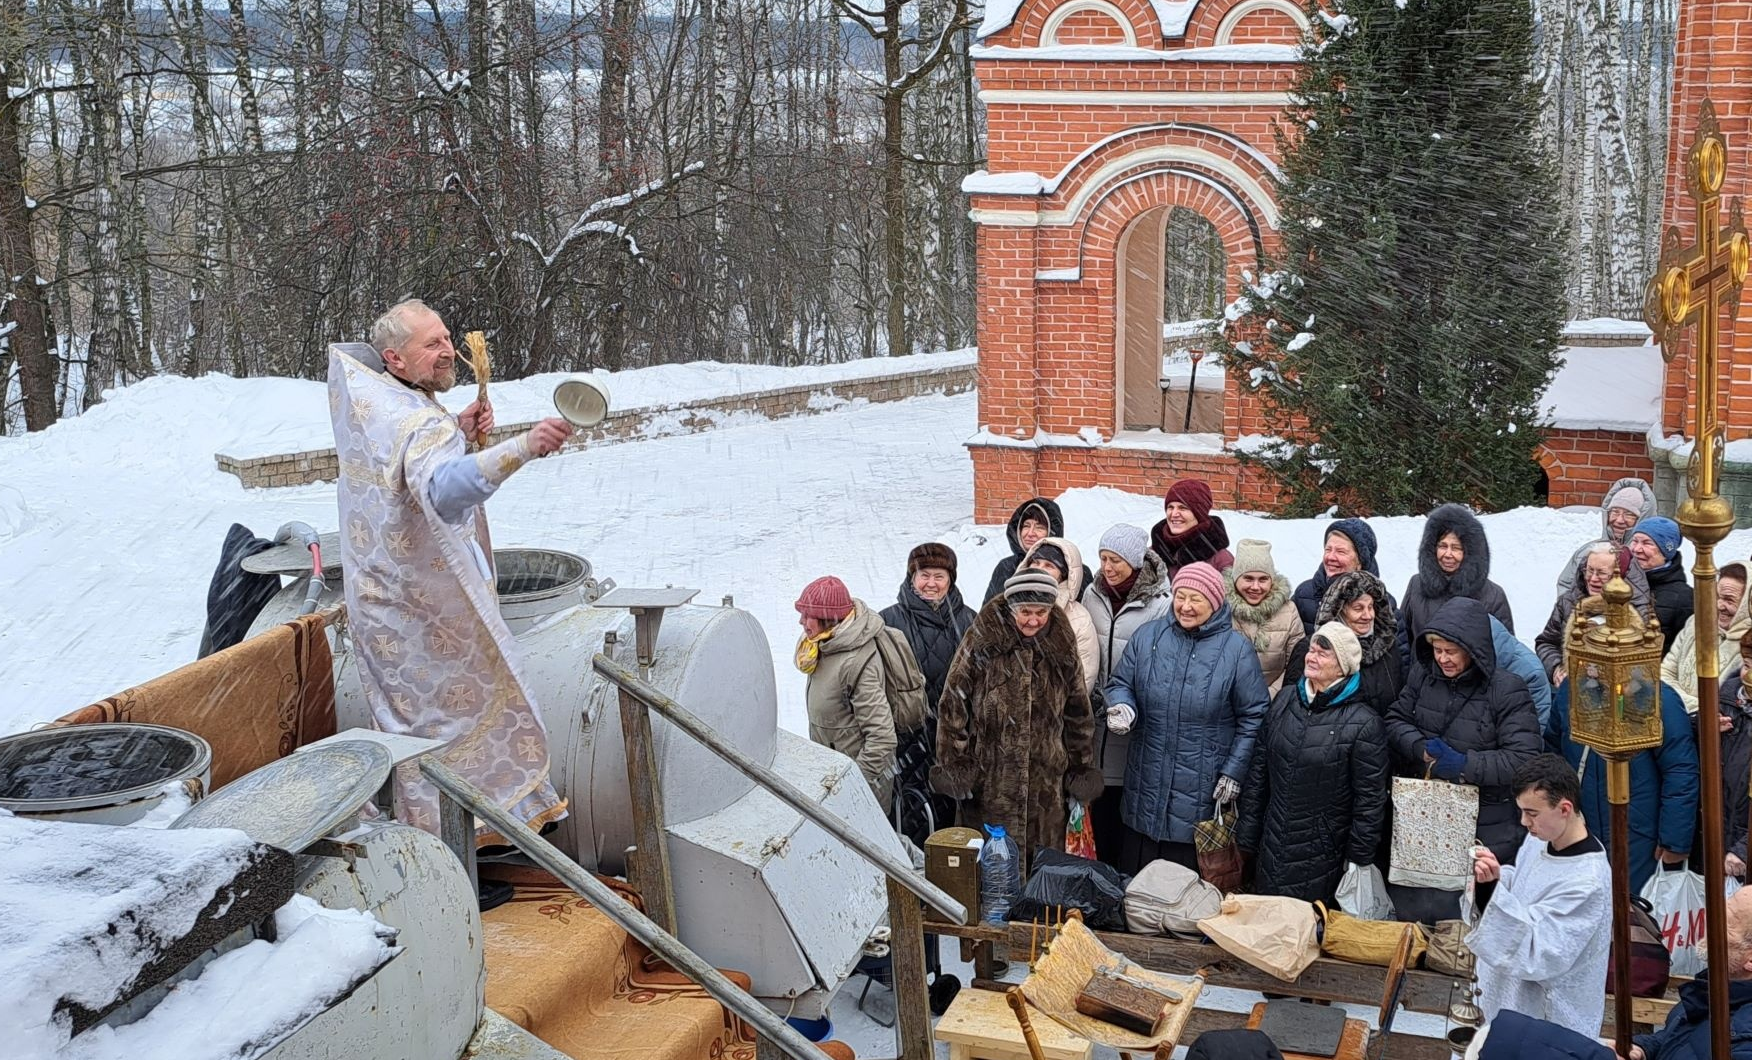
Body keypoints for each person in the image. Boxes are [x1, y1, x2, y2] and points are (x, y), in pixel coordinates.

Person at [329, 299, 571, 847]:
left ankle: (457, 846)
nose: (447, 351)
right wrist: (523, 447)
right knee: (448, 733)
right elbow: (441, 490)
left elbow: (402, 469)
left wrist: (457, 428)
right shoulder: (417, 420)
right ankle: (455, 858)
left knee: (412, 730)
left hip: (383, 605)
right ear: (394, 357)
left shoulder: (374, 399)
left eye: (445, 338)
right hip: (426, 617)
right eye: (431, 345)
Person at [1103, 561, 1270, 874]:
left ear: (1215, 602)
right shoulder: (1148, 637)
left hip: (1201, 791)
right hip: (1146, 783)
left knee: (1185, 895)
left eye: (1197, 599)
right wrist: (1123, 705)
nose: (1186, 606)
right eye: (1181, 596)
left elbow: (1255, 716)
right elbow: (1121, 683)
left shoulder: (1236, 650)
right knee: (1137, 886)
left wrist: (1234, 772)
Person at [933, 570, 1103, 873]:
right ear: (1011, 608)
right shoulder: (983, 639)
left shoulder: (1061, 644)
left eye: (1041, 612)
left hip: (1046, 780)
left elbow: (1078, 712)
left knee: (1042, 872)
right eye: (1025, 612)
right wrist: (956, 763)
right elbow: (953, 703)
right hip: (991, 779)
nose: (1033, 620)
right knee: (991, 872)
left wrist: (1080, 767)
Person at [1384, 597, 1542, 920]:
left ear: (1473, 648)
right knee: (1419, 910)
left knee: (1471, 919)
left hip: (1487, 825)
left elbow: (1524, 759)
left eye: (1451, 651)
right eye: (1437, 650)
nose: (1442, 659)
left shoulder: (1507, 690)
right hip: (1426, 822)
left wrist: (1464, 765)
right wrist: (1420, 748)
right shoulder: (1423, 675)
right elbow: (1395, 719)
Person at [1238, 622, 1389, 903]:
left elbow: (1369, 802)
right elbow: (1259, 769)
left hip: (1325, 853)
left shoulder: (1365, 724)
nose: (1312, 656)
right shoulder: (1285, 700)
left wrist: (1358, 858)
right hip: (1272, 842)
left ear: (1343, 667)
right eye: (1312, 650)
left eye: (1323, 653)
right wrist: (1249, 831)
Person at [1465, 754, 1612, 1041]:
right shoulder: (1538, 840)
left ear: (1564, 809)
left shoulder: (1587, 881)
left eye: (1532, 813)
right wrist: (1489, 880)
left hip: (1544, 1020)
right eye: (1521, 811)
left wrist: (1492, 893)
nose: (1524, 822)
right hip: (1504, 1000)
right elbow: (1520, 887)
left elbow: (1541, 953)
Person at [1547, 677, 1698, 894]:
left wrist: (1675, 841)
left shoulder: (1657, 697)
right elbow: (1553, 754)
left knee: (1635, 914)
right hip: (1580, 827)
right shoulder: (1571, 690)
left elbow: (1680, 770)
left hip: (1638, 834)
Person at [1080, 523, 1173, 864]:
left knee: (1124, 807)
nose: (1108, 567)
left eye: (1116, 559)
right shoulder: (1092, 594)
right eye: (1103, 558)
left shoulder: (1161, 603)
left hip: (1131, 721)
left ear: (1135, 561)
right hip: (1094, 722)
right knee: (1095, 807)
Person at [881, 542, 976, 838]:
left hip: (955, 738)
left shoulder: (970, 621)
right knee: (909, 816)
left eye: (939, 576)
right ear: (912, 577)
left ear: (951, 579)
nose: (931, 584)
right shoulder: (889, 622)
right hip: (907, 740)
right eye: (924, 575)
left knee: (953, 822)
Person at [796, 576, 897, 806]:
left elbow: (882, 738)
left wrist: (854, 784)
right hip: (834, 781)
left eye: (807, 615)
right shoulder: (823, 646)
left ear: (828, 619)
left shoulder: (855, 661)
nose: (801, 621)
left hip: (858, 794)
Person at [1623, 886, 1752, 1059]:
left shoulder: (1743, 1039)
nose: (1711, 922)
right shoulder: (1714, 991)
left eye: (1728, 922)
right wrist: (1643, 1048)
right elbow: (1680, 1039)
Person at [1398, 503, 1515, 668]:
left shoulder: (1493, 596)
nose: (1448, 554)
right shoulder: (1416, 585)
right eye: (1442, 546)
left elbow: (1504, 653)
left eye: (1456, 548)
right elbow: (1403, 640)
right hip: (1421, 686)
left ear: (1470, 552)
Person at [1283, 570, 1405, 716]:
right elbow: (1293, 706)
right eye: (1358, 608)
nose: (1368, 615)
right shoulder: (1312, 649)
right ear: (1339, 610)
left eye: (1371, 607)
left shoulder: (1387, 646)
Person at [1537, 543, 1653, 685]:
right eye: (1589, 570)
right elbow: (1546, 642)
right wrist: (1556, 669)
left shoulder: (1639, 610)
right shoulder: (1568, 601)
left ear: (1619, 576)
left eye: (1602, 573)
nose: (1592, 579)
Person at [1663, 561, 1748, 714]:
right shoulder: (1696, 622)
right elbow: (1665, 673)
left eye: (1729, 600)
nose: (1718, 605)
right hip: (1673, 715)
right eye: (1717, 596)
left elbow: (1724, 706)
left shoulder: (1749, 644)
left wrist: (1673, 700)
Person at [1225, 539, 1305, 695]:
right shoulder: (1221, 609)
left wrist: (1270, 696)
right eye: (1248, 578)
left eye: (1263, 579)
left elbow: (1296, 662)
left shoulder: (1288, 611)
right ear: (1235, 579)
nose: (1255, 587)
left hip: (1274, 701)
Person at [1022, 536, 1100, 693]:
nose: (1039, 568)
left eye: (1049, 565)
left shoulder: (1078, 620)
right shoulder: (1009, 608)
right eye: (1036, 562)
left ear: (1063, 574)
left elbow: (1082, 682)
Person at [1555, 477, 1657, 596]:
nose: (1619, 520)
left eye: (1629, 514)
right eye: (1614, 512)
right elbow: (1566, 586)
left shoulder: (1649, 558)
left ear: (1642, 519)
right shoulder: (1587, 552)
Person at [1292, 518, 1386, 635]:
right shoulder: (1304, 596)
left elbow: (1399, 651)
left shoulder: (1384, 605)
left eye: (1341, 551)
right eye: (1328, 549)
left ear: (1360, 561)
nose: (1330, 557)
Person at [1714, 631, 1752, 881]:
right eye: (1746, 664)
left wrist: (1743, 850)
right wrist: (1706, 728)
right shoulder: (1730, 693)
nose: (1746, 675)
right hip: (1721, 826)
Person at [1629, 516, 1693, 657]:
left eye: (1647, 543)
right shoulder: (1619, 581)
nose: (1637, 549)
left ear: (1666, 551)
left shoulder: (1684, 598)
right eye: (1635, 541)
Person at [983, 497, 1066, 604]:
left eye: (1039, 527)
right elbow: (988, 614)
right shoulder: (1006, 568)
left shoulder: (1070, 569)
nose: (1030, 533)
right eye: (1026, 526)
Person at [1149, 479, 1235, 578]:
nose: (1174, 514)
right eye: (1170, 507)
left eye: (1183, 508)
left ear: (1199, 514)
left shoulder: (1221, 560)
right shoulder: (1153, 554)